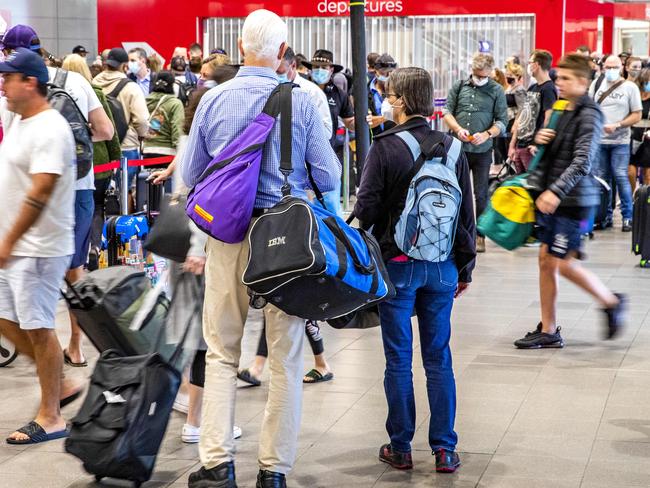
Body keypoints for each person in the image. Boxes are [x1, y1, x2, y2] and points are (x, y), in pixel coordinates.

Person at [180, 9, 340, 488]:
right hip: (285, 244)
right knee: (286, 360)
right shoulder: (304, 101)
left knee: (222, 351)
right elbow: (328, 175)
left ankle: (216, 464)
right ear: (283, 53)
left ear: (241, 47)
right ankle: (273, 472)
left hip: (227, 237)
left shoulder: (213, 100)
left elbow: (191, 176)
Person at [354, 66, 476, 475]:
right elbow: (466, 218)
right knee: (439, 358)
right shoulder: (454, 147)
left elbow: (367, 209)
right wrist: (465, 269)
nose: (387, 100)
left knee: (399, 360)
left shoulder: (385, 147)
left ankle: (401, 446)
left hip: (399, 266)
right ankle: (445, 449)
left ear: (403, 101)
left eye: (390, 95)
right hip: (442, 266)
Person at [149, 62, 242, 445]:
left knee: (189, 330)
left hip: (181, 249)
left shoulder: (188, 140)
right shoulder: (209, 143)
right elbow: (199, 201)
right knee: (208, 338)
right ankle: (198, 421)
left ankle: (190, 402)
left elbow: (182, 182)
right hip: (197, 247)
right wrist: (198, 249)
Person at [513, 54, 627, 350]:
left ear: (582, 82)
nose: (558, 82)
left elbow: (583, 162)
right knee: (545, 261)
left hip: (573, 201)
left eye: (564, 79)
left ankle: (612, 302)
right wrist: (543, 138)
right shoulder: (565, 109)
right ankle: (548, 328)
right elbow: (557, 150)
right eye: (558, 77)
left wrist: (556, 192)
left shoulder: (590, 114)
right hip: (555, 198)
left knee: (562, 264)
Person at [0, 48, 78, 444]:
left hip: (38, 248)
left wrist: (10, 241)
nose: (2, 84)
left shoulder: (50, 127)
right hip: (13, 246)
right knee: (7, 321)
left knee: (39, 326)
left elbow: (41, 190)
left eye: (7, 77)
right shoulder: (19, 120)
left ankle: (51, 415)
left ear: (30, 82)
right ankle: (59, 383)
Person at [45, 52, 114, 366]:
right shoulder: (77, 82)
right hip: (79, 184)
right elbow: (106, 131)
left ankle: (46, 351)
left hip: (41, 189)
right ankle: (76, 346)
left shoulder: (17, 87)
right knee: (76, 271)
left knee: (38, 274)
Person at [61, 54, 122, 271]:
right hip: (97, 163)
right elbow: (109, 130)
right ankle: (93, 248)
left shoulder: (51, 92)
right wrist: (116, 158)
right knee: (97, 208)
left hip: (69, 167)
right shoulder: (92, 91)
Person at [443, 52, 508, 253]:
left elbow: (502, 122)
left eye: (482, 75)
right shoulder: (459, 86)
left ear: (490, 72)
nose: (478, 79)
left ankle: (479, 235)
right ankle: (455, 232)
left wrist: (488, 134)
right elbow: (447, 112)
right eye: (476, 74)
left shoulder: (496, 90)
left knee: (480, 194)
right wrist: (457, 129)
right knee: (454, 191)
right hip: (458, 149)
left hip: (482, 150)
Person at [589, 55, 642, 232]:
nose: (611, 70)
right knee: (602, 180)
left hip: (620, 140)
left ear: (621, 68)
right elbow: (589, 107)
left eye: (614, 67)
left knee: (621, 177)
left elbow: (637, 114)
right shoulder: (596, 84)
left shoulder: (630, 87)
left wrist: (618, 124)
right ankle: (605, 216)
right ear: (603, 67)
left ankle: (628, 216)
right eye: (608, 67)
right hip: (599, 141)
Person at [303, 48, 354, 216]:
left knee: (330, 209)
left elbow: (349, 121)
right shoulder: (300, 88)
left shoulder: (339, 94)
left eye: (324, 68)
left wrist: (365, 121)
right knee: (303, 209)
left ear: (331, 69)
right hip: (300, 158)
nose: (319, 71)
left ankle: (332, 240)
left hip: (326, 157)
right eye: (316, 67)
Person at [93, 47, 150, 191]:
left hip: (100, 146)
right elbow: (142, 120)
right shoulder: (131, 87)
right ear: (124, 66)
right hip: (126, 146)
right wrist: (142, 135)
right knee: (125, 190)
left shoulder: (93, 83)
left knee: (100, 191)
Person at [508, 50, 558, 174]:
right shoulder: (532, 88)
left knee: (531, 184)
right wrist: (512, 145)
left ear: (536, 64)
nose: (529, 66)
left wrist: (538, 144)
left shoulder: (549, 89)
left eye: (530, 63)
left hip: (531, 148)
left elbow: (549, 118)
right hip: (521, 145)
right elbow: (522, 115)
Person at [142, 71, 185, 158]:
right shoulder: (175, 103)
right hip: (167, 151)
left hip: (147, 149)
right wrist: (180, 150)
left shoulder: (145, 100)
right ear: (172, 85)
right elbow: (177, 127)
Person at [629, 68, 650, 192]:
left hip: (648, 138)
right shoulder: (634, 94)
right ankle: (631, 198)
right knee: (630, 172)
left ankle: (646, 202)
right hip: (633, 136)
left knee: (648, 175)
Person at [367, 53, 398, 137]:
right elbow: (366, 122)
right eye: (384, 72)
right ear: (376, 71)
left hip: (394, 140)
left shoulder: (398, 91)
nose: (388, 76)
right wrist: (387, 116)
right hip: (373, 142)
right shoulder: (365, 91)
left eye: (391, 73)